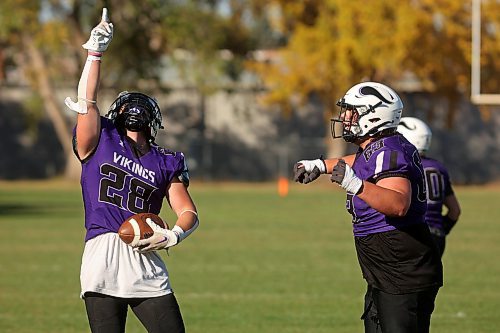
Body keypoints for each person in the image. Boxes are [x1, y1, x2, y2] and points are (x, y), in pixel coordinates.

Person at [64, 8, 199, 333]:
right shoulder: (100, 138)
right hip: (104, 253)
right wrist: (93, 53)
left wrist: (172, 235)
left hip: (141, 255)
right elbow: (88, 101)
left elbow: (187, 212)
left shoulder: (165, 160)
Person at [293, 82, 443, 333]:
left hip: (402, 270)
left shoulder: (393, 151)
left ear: (373, 115)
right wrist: (320, 165)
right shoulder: (377, 149)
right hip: (385, 270)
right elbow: (361, 161)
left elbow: (398, 204)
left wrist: (355, 184)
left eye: (352, 112)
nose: (344, 117)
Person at [397, 117, 461, 257]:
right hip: (437, 236)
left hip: (413, 234)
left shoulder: (404, 166)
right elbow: (454, 210)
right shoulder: (439, 168)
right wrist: (441, 229)